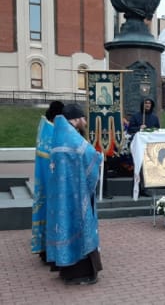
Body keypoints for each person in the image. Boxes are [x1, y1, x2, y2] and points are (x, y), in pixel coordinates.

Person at [46, 103, 103, 285]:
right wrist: (99, 157)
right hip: (76, 193)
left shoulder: (58, 135)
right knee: (79, 224)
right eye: (83, 118)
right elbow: (90, 155)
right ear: (77, 118)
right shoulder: (72, 137)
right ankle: (82, 273)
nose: (85, 122)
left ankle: (67, 272)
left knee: (65, 225)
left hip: (61, 192)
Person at [31, 101, 64, 264]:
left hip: (41, 179)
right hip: (52, 180)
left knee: (43, 211)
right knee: (52, 213)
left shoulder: (43, 126)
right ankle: (51, 251)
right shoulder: (53, 131)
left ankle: (42, 249)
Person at [128, 98, 160, 196]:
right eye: (146, 103)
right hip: (139, 146)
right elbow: (130, 129)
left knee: (148, 167)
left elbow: (158, 130)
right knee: (138, 166)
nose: (147, 105)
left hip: (150, 146)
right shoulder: (136, 116)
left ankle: (146, 189)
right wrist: (139, 128)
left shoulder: (154, 118)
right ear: (143, 104)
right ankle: (136, 188)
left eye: (149, 103)